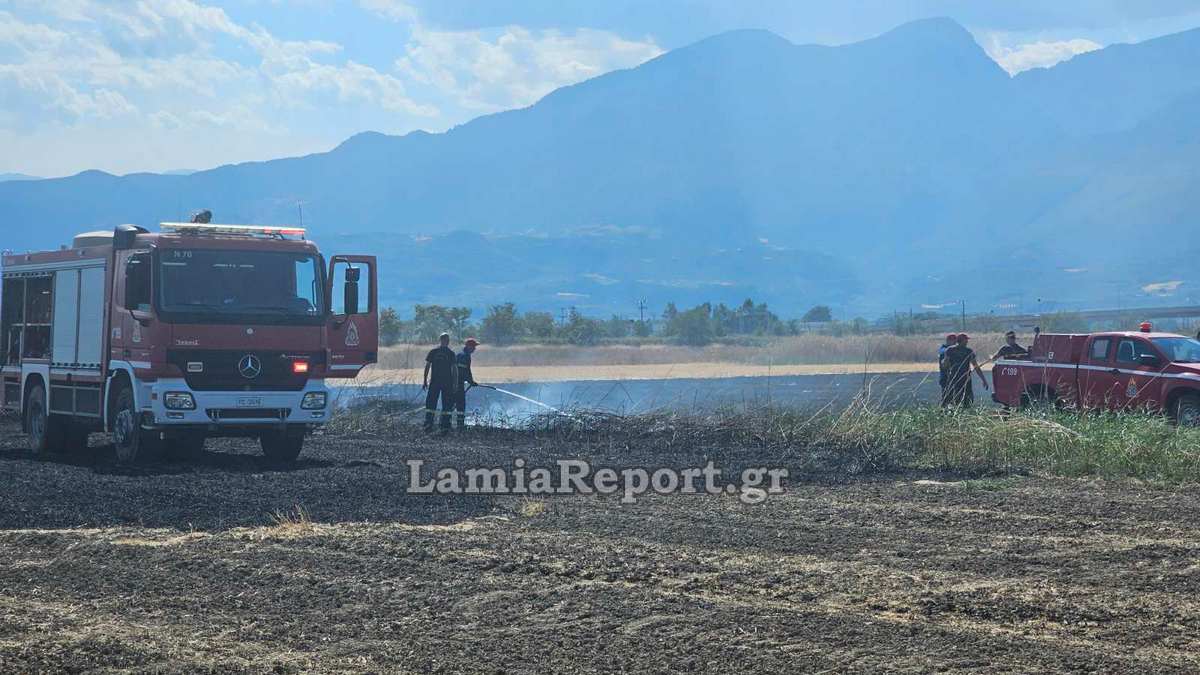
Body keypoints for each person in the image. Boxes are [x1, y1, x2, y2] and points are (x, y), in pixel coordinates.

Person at [422, 333, 458, 433]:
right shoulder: (448, 353)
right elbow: (455, 370)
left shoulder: (436, 352)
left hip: (439, 382)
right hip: (442, 383)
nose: (447, 341)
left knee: (436, 403)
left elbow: (427, 366)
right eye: (447, 340)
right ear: (445, 341)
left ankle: (435, 423)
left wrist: (425, 380)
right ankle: (441, 424)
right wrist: (455, 383)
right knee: (438, 403)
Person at [941, 333, 989, 408]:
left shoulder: (951, 350)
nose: (967, 341)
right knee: (955, 398)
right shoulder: (967, 351)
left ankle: (956, 411)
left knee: (963, 398)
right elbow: (976, 367)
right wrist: (983, 379)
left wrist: (983, 379)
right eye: (966, 340)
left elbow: (976, 366)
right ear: (961, 340)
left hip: (961, 378)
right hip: (959, 378)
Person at [452, 338, 480, 430]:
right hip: (457, 383)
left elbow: (466, 371)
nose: (474, 349)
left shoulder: (461, 354)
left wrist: (470, 381)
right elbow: (465, 371)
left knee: (451, 403)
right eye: (473, 347)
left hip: (454, 383)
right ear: (468, 346)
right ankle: (460, 425)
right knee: (460, 404)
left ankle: (445, 422)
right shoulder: (465, 356)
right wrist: (471, 381)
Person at [937, 333, 956, 399]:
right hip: (945, 377)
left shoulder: (953, 350)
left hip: (953, 377)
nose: (955, 343)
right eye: (954, 341)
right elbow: (944, 351)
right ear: (948, 340)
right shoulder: (943, 349)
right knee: (945, 396)